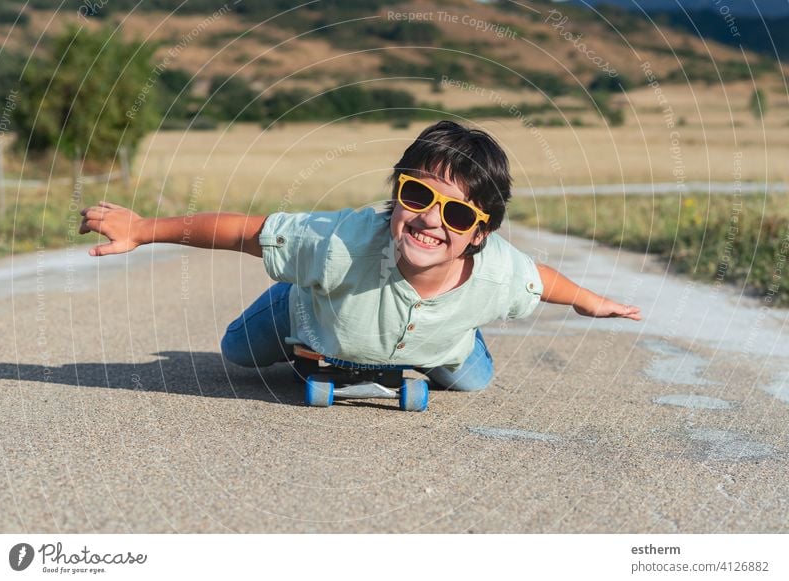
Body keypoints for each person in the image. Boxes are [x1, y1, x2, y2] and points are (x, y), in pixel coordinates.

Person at [80, 120, 641, 392]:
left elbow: (538, 281)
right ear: (397, 194)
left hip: (441, 334)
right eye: (417, 195)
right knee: (237, 353)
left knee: (474, 382)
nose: (429, 220)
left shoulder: (496, 274)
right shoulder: (339, 244)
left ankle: (455, 334)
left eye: (458, 214)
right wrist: (143, 228)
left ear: (479, 233)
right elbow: (245, 232)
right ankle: (298, 292)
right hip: (315, 316)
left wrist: (588, 301)